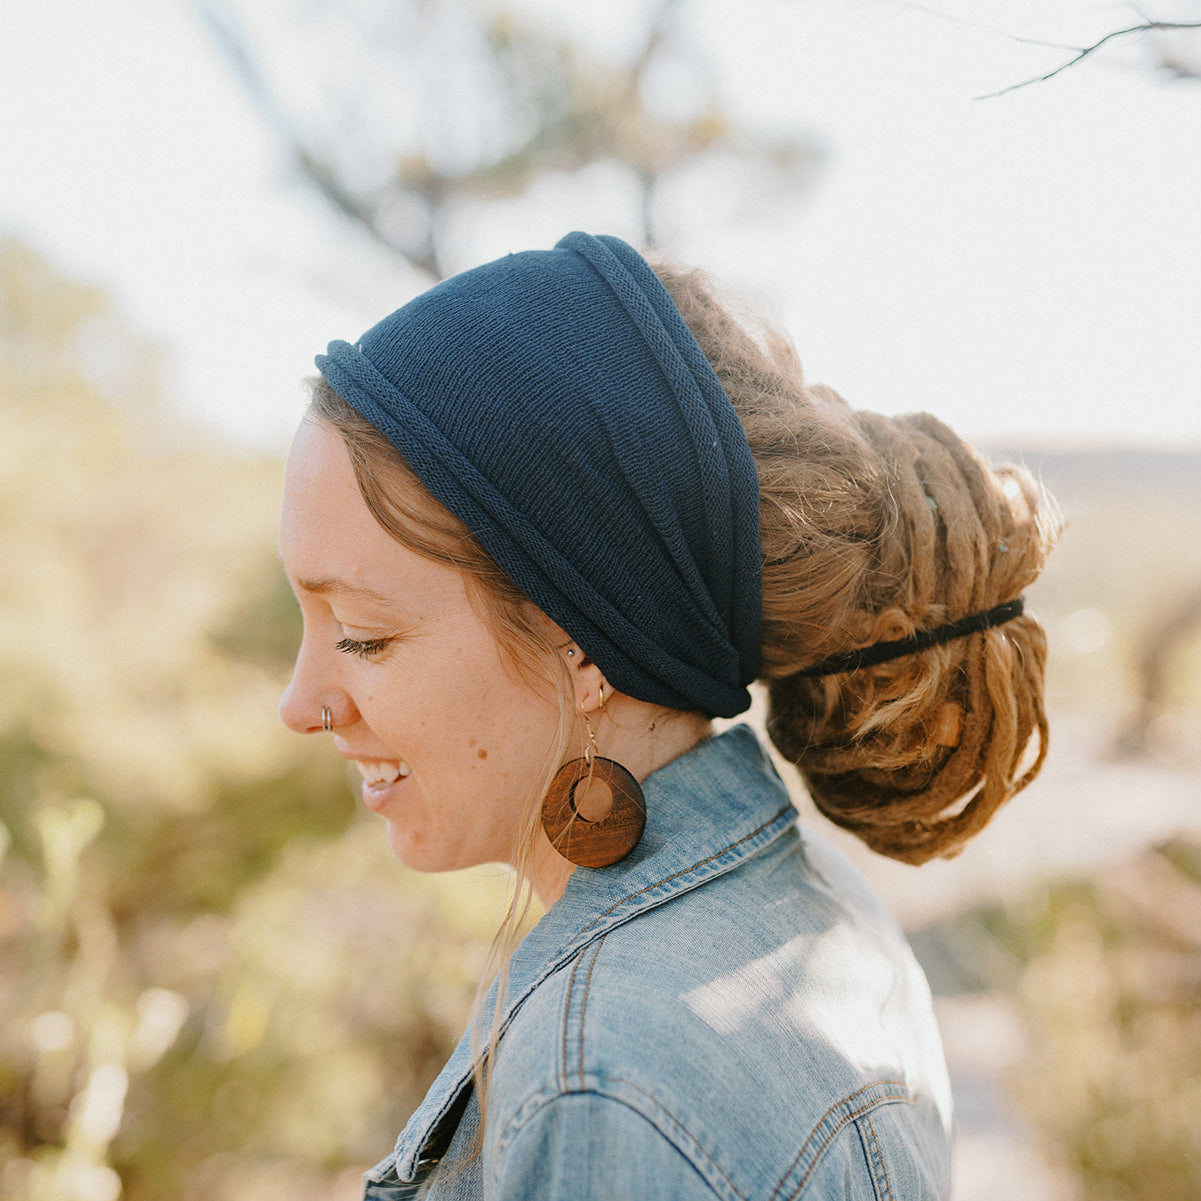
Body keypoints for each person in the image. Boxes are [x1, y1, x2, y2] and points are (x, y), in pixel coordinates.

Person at [278, 232, 1055, 1200]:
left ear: (582, 639)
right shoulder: (816, 909)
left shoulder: (604, 1085)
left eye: (363, 634)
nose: (299, 703)